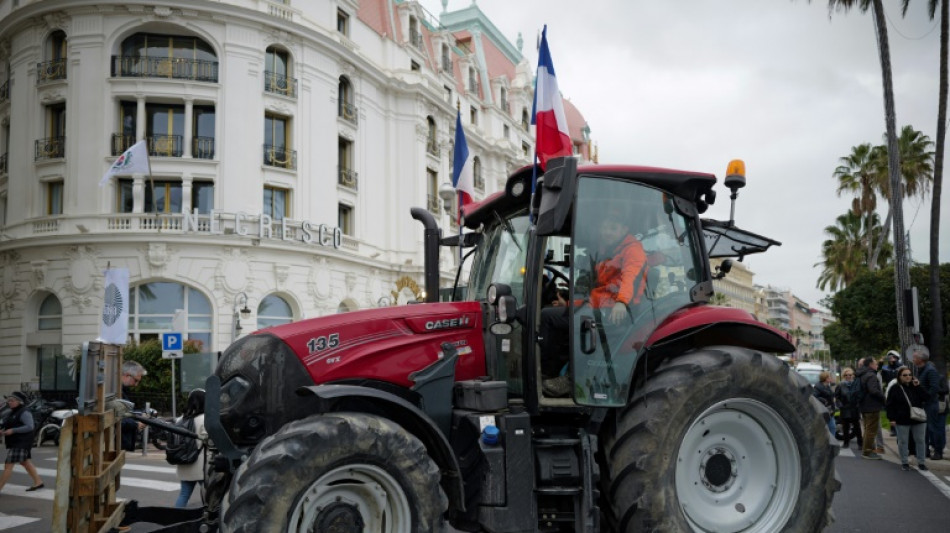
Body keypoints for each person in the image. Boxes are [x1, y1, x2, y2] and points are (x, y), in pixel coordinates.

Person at [539, 204, 648, 396]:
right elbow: (598, 292)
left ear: (624, 230)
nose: (607, 232)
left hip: (622, 310)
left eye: (613, 228)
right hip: (601, 306)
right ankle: (547, 374)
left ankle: (573, 380)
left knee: (583, 322)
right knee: (548, 316)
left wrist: (622, 302)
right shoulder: (608, 252)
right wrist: (572, 305)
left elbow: (631, 276)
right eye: (605, 227)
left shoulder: (632, 250)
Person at [0, 391, 45, 494]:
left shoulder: (24, 412)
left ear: (19, 402)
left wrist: (13, 431)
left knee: (8, 465)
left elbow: (30, 426)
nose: (9, 402)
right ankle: (38, 482)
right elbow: (10, 425)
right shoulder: (14, 411)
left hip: (22, 442)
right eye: (8, 400)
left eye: (12, 400)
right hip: (17, 441)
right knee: (24, 462)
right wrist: (3, 431)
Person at [885, 366, 928, 471]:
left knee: (920, 440)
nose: (908, 377)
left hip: (918, 418)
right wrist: (892, 419)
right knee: (903, 441)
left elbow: (927, 397)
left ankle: (921, 462)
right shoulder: (895, 388)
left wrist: (918, 386)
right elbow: (890, 405)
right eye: (905, 375)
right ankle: (904, 462)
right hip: (902, 419)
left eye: (909, 374)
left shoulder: (915, 386)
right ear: (899, 376)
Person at [175, 389, 208, 508]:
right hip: (200, 465)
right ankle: (207, 518)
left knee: (184, 494)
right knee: (207, 494)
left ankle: (175, 517)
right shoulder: (204, 418)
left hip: (184, 462)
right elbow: (208, 439)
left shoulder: (180, 419)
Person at [912, 345, 945, 460]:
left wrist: (925, 396)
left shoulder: (930, 370)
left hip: (930, 404)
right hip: (924, 404)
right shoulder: (920, 370)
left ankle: (938, 451)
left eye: (914, 357)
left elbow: (934, 388)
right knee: (924, 429)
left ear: (920, 359)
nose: (913, 359)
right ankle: (925, 450)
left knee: (933, 429)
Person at [857, 356, 886, 460]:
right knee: (871, 430)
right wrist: (883, 397)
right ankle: (868, 452)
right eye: (875, 363)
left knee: (867, 429)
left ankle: (867, 449)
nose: (877, 365)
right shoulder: (871, 375)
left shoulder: (862, 374)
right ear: (870, 365)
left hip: (864, 405)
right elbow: (873, 390)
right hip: (872, 406)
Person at [121, 360, 147, 452]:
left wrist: (139, 414)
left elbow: (127, 412)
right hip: (118, 444)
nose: (136, 385)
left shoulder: (123, 390)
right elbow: (116, 419)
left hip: (123, 444)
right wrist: (135, 424)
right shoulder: (116, 391)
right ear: (127, 375)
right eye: (136, 380)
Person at [835, 367, 862, 449]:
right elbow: (837, 397)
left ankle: (860, 443)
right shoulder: (840, 385)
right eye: (846, 375)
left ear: (853, 375)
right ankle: (846, 443)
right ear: (844, 376)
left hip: (854, 409)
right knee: (845, 427)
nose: (848, 376)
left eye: (850, 375)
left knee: (857, 427)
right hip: (845, 408)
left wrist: (858, 404)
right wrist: (840, 405)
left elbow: (860, 395)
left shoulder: (856, 385)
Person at [880, 351, 901, 436]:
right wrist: (881, 363)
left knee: (899, 409)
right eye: (889, 357)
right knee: (890, 409)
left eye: (893, 357)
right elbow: (880, 372)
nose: (891, 359)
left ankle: (899, 427)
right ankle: (893, 429)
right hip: (889, 391)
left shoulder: (900, 367)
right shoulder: (885, 368)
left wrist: (895, 363)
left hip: (899, 390)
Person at [813, 371, 838, 439]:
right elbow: (814, 397)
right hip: (823, 411)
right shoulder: (818, 386)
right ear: (826, 378)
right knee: (831, 427)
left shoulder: (827, 386)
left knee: (832, 427)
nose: (831, 378)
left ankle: (831, 443)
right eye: (829, 377)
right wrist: (824, 401)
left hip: (829, 411)